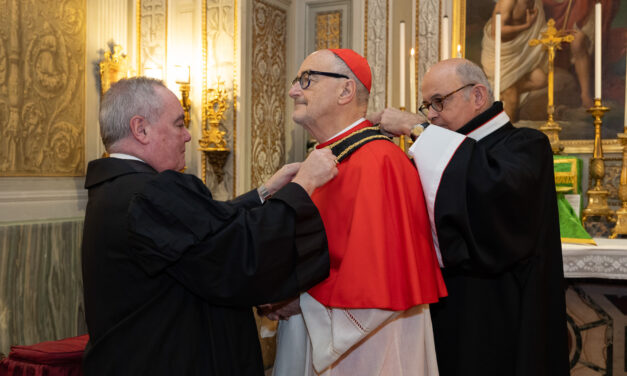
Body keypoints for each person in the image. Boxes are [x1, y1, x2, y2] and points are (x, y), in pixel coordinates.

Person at [81, 77, 338, 375]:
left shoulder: (119, 188)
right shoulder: (151, 193)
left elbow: (201, 233)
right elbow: (237, 257)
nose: (188, 136)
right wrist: (304, 185)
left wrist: (265, 192)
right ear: (141, 129)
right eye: (179, 124)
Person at [369, 58, 569, 376]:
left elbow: (490, 193)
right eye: (426, 106)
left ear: (477, 96)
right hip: (445, 308)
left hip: (500, 311)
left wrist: (416, 127)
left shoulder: (526, 145)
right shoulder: (438, 148)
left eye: (439, 102)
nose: (432, 114)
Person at [262, 49, 447, 375]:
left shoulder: (379, 160)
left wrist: (298, 300)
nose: (293, 91)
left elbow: (377, 282)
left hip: (370, 347)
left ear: (346, 90)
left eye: (306, 80)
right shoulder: (323, 158)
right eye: (296, 81)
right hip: (317, 331)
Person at [480, 0, 548, 121]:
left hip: (520, 54)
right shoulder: (508, 2)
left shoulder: (536, 3)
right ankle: (507, 136)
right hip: (500, 55)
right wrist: (526, 26)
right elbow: (497, 32)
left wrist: (555, 35)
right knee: (512, 98)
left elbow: (540, 31)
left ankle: (504, 91)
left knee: (540, 79)